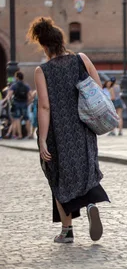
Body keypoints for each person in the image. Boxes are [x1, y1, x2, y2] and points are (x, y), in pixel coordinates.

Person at [28, 16, 109, 243]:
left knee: (59, 177)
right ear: (61, 41)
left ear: (44, 45)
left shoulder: (42, 71)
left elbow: (44, 106)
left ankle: (67, 231)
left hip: (58, 132)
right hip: (84, 127)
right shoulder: (81, 59)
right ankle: (91, 203)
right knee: (86, 170)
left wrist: (42, 139)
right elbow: (98, 88)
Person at [1, 71, 32, 139]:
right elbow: (31, 95)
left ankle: (20, 135)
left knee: (17, 119)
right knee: (27, 119)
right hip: (24, 103)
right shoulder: (26, 85)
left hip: (16, 103)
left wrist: (5, 101)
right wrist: (28, 102)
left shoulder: (14, 85)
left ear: (17, 77)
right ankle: (30, 134)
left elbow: (9, 95)